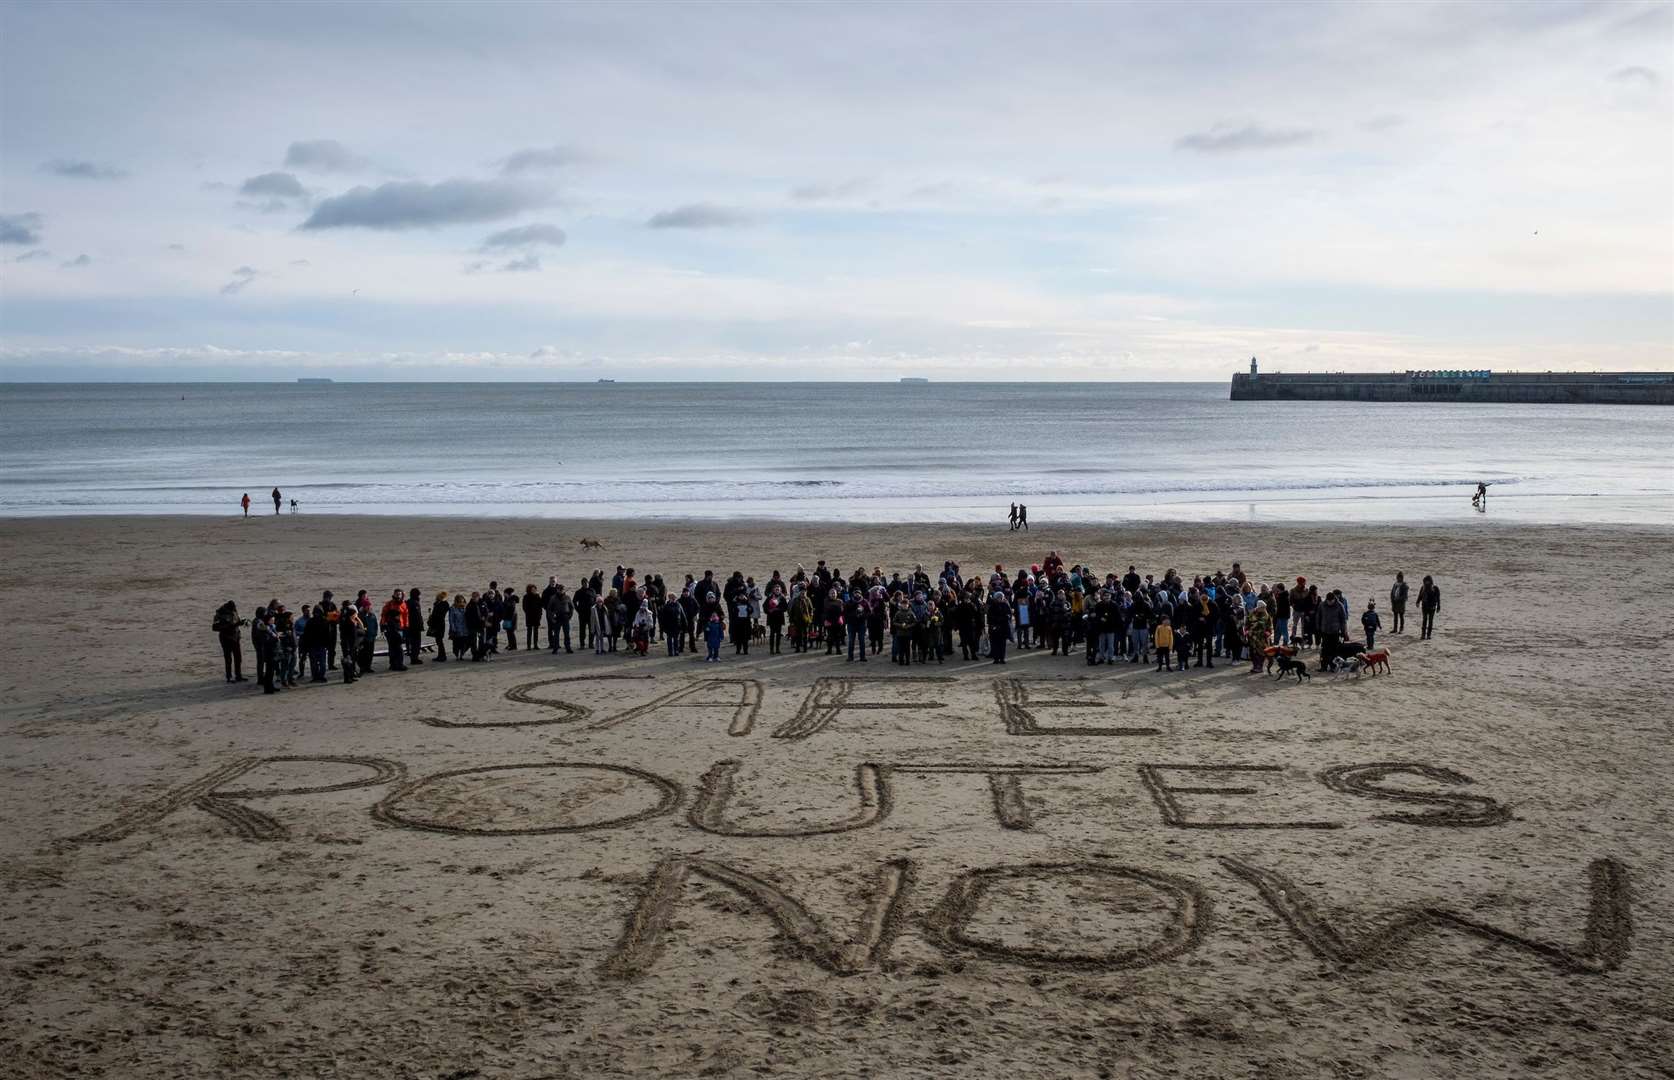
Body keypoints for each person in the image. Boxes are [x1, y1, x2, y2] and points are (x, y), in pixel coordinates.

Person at [213, 601, 247, 682]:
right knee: (228, 658)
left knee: (238, 658)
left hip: (235, 637)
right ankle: (229, 676)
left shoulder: (234, 611)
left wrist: (241, 623)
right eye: (232, 608)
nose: (234, 609)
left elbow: (237, 621)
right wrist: (232, 625)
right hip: (226, 638)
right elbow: (215, 627)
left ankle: (238, 675)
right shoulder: (220, 614)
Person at [381, 590, 409, 671]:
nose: (398, 596)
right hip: (391, 628)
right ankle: (394, 664)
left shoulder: (403, 604)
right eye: (397, 594)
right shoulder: (389, 604)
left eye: (399, 594)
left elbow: (406, 616)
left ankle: (398, 664)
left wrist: (406, 627)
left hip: (400, 627)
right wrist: (383, 626)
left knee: (397, 647)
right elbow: (383, 615)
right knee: (393, 647)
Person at [546, 584, 574, 653]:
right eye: (559, 589)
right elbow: (549, 609)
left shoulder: (567, 597)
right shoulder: (553, 598)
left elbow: (571, 607)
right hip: (557, 617)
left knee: (567, 634)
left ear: (564, 590)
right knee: (556, 634)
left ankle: (568, 648)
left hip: (565, 617)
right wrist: (552, 618)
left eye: (562, 589)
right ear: (557, 590)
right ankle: (555, 648)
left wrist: (570, 616)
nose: (561, 590)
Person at [428, 592, 451, 663]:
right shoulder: (440, 604)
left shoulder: (443, 604)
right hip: (438, 624)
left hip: (439, 624)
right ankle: (441, 655)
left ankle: (442, 656)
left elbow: (439, 614)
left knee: (439, 640)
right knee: (438, 640)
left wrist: (431, 618)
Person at [1418, 575, 1441, 640]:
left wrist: (1438, 606)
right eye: (1425, 581)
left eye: (1428, 581)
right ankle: (1423, 634)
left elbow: (1438, 598)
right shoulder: (1423, 588)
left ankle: (1428, 635)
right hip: (1424, 606)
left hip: (1432, 607)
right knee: (1424, 620)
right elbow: (1420, 596)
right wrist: (1418, 602)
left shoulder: (1435, 588)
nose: (1426, 583)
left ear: (1431, 581)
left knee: (1430, 621)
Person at [405, 589, 425, 664]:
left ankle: (413, 657)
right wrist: (420, 625)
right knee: (416, 643)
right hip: (415, 626)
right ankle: (414, 658)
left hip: (409, 626)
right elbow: (417, 616)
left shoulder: (408, 602)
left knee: (411, 642)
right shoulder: (414, 603)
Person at [522, 584, 543, 651]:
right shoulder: (526, 596)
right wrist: (528, 613)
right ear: (529, 590)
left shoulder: (537, 596)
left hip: (537, 616)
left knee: (536, 631)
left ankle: (535, 645)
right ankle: (528, 646)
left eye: (534, 589)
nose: (534, 590)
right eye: (532, 589)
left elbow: (541, 605)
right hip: (529, 616)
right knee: (529, 631)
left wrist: (540, 614)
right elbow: (524, 607)